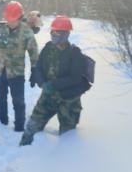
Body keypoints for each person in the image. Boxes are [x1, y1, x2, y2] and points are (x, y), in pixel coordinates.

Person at [20, 15, 91, 145]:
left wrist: (53, 85)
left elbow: (75, 78)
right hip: (48, 96)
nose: (53, 35)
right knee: (31, 127)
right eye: (52, 32)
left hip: (68, 100)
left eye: (57, 33)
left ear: (65, 34)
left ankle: (63, 157)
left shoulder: (75, 53)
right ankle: (24, 150)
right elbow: (38, 67)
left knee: (68, 137)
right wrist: (42, 83)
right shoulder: (48, 48)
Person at [0, 1, 38, 133]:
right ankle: (1, 124)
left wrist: (35, 69)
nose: (10, 22)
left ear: (19, 18)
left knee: (18, 101)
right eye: (8, 19)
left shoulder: (26, 31)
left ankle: (19, 126)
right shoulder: (1, 29)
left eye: (13, 19)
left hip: (16, 73)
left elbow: (34, 52)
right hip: (0, 70)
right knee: (0, 99)